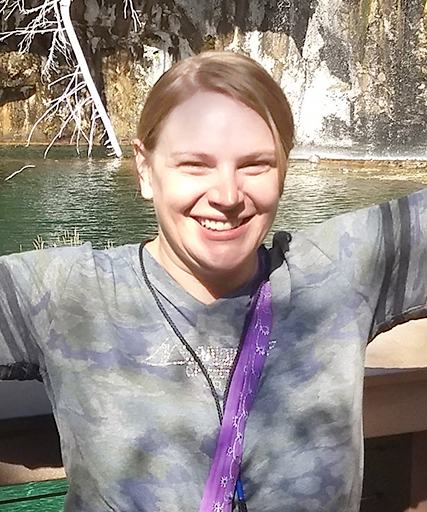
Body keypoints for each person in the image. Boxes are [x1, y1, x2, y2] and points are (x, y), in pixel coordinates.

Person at [0, 50, 426, 512]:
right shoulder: (68, 293)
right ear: (145, 168)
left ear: (285, 167)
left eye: (255, 164)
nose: (227, 196)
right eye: (195, 165)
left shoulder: (339, 268)